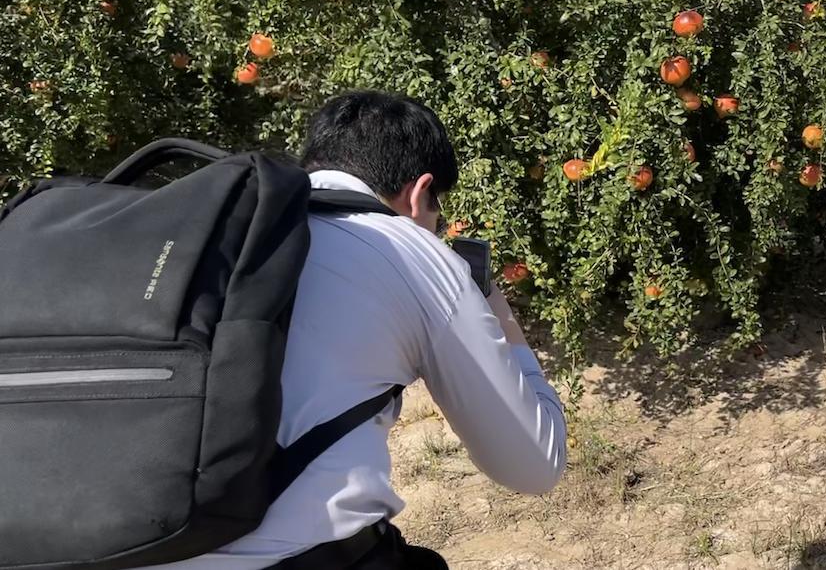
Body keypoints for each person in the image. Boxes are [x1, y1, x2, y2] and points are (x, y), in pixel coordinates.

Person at [145, 91, 567, 569]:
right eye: (436, 211)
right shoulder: (412, 251)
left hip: (105, 545)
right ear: (418, 191)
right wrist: (500, 316)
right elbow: (533, 465)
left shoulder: (210, 235)